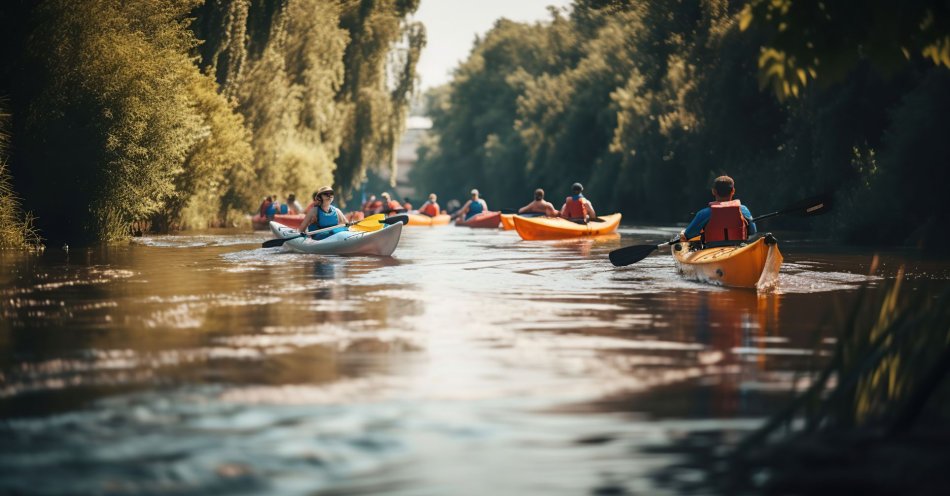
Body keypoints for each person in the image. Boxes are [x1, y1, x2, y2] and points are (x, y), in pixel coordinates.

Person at [679, 175, 756, 247]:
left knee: (683, 234)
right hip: (738, 248)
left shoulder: (704, 213)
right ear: (733, 191)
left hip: (712, 250)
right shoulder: (743, 210)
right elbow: (753, 231)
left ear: (713, 191)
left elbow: (688, 235)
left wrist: (683, 234)